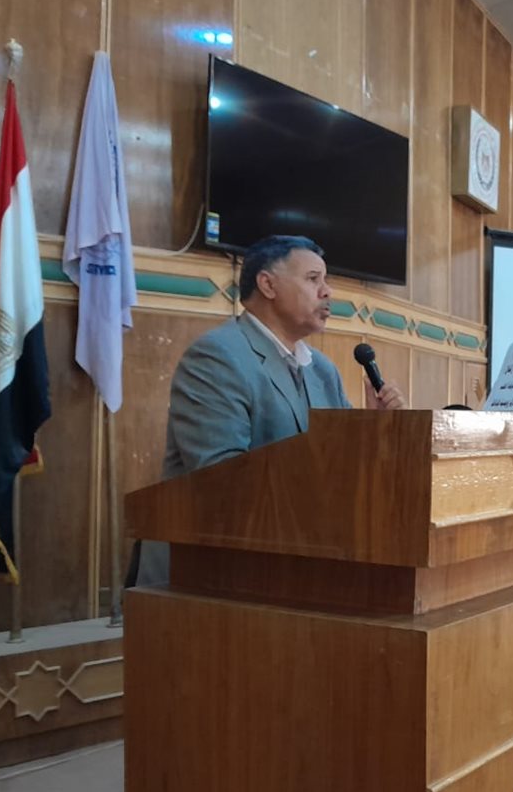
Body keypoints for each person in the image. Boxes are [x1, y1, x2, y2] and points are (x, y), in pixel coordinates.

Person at [133, 235, 405, 586]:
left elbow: (342, 466)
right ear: (267, 284)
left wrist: (373, 428)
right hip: (211, 570)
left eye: (325, 280)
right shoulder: (217, 357)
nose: (328, 291)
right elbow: (222, 480)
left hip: (298, 559)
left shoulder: (322, 369)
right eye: (313, 279)